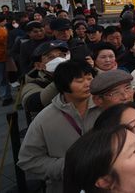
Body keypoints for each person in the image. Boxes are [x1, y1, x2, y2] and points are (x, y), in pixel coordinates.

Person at [18, 60, 100, 193]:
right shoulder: (45, 119)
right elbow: (28, 160)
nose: (87, 84)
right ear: (63, 86)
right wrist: (66, 167)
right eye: (79, 81)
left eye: (90, 78)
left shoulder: (103, 107)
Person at [21, 40, 70, 120]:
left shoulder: (75, 74)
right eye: (51, 57)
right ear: (39, 66)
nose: (59, 59)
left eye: (61, 55)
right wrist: (62, 79)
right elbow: (32, 103)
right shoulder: (33, 84)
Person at [0, 14, 12, 106]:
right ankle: (5, 96)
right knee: (1, 78)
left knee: (1, 78)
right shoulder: (2, 30)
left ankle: (6, 96)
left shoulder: (1, 30)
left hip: (0, 57)